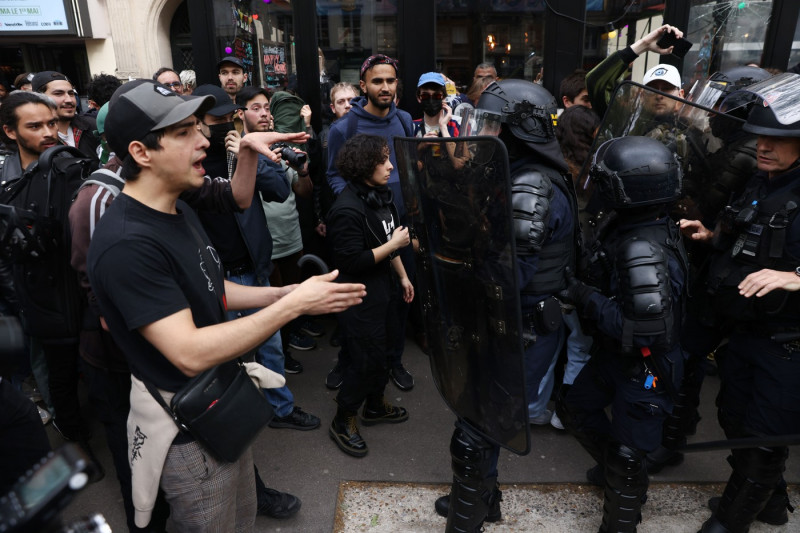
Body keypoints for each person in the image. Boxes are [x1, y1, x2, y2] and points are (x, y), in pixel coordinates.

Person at [87, 79, 365, 530]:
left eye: (200, 126)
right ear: (141, 152)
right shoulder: (127, 244)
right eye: (183, 132)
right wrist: (291, 309)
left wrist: (285, 294)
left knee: (242, 518)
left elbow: (213, 285)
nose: (204, 139)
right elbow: (189, 350)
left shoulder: (178, 202)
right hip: (187, 432)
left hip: (223, 402)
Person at [434, 79, 578, 530]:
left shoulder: (531, 188)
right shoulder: (530, 176)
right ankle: (485, 499)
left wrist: (457, 269)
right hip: (518, 321)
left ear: (518, 132)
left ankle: (468, 518)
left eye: (493, 124)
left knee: (477, 426)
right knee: (489, 417)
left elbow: (506, 276)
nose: (485, 132)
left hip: (519, 324)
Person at [558, 136, 688, 533]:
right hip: (615, 357)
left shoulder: (642, 249)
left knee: (629, 458)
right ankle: (616, 468)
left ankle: (622, 511)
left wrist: (583, 295)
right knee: (576, 407)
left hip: (644, 368)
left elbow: (643, 330)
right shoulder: (633, 224)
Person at [682, 98, 800, 533]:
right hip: (746, 330)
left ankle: (731, 522)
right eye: (761, 136)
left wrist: (798, 277)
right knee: (736, 418)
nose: (763, 145)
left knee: (763, 438)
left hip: (788, 341)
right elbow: (752, 239)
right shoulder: (762, 181)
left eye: (779, 139)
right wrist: (712, 236)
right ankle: (770, 501)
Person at [326, 54, 416, 391]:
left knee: (399, 299)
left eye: (391, 81)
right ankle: (347, 361)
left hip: (400, 226)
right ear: (363, 85)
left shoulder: (406, 121)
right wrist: (361, 208)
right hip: (363, 232)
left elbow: (410, 170)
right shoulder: (344, 127)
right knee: (356, 301)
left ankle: (394, 361)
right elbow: (334, 177)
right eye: (377, 81)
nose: (385, 87)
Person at [326, 134, 413, 457]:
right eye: (383, 160)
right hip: (358, 298)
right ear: (365, 166)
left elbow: (390, 240)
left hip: (385, 292)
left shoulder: (380, 195)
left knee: (386, 354)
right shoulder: (346, 210)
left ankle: (374, 406)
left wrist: (403, 276)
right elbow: (351, 261)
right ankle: (343, 417)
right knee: (365, 361)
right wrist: (394, 247)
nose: (390, 166)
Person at [586, 24, 685, 119]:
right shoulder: (624, 124)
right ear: (642, 95)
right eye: (652, 90)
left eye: (667, 89)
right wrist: (643, 45)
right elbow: (595, 82)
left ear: (680, 95)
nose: (659, 96)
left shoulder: (690, 131)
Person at [32, 71, 99, 159]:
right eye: (58, 94)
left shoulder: (92, 126)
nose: (69, 100)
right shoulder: (35, 138)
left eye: (71, 94)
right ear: (39, 98)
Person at [412, 72, 460, 139]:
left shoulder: (458, 124)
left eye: (437, 95)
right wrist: (421, 145)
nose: (431, 100)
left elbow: (461, 149)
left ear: (444, 97)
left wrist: (443, 127)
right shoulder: (412, 127)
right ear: (418, 98)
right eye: (425, 96)